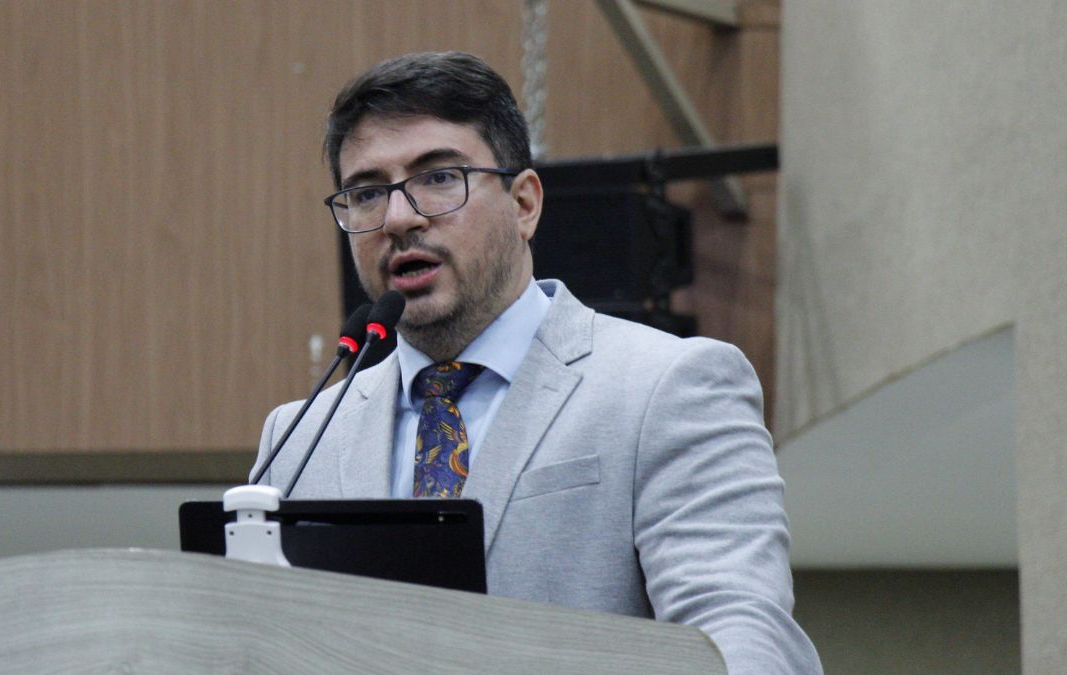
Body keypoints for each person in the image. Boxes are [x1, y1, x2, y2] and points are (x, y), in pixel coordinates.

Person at [251, 51, 821, 674]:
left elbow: (740, 635)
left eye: (438, 177)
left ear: (524, 204)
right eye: (367, 193)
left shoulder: (667, 385)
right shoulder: (301, 439)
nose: (398, 218)